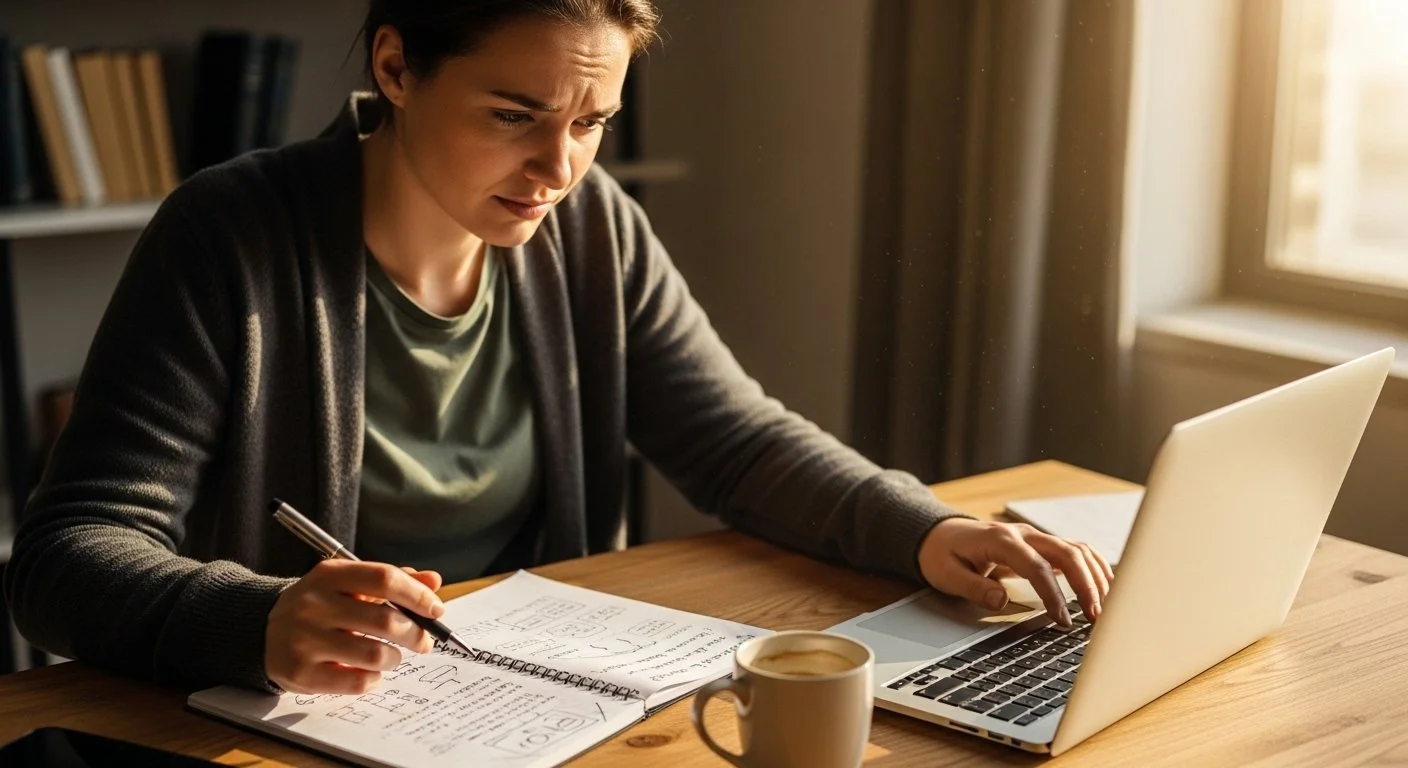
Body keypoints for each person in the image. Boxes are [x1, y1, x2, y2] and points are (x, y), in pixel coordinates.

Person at [3, 0, 1112, 696]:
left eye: (590, 124)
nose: (558, 167)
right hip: (292, 722)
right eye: (513, 114)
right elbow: (67, 558)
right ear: (395, 66)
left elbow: (732, 438)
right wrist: (258, 618)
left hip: (518, 702)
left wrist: (927, 530)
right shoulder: (229, 237)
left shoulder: (590, 229)